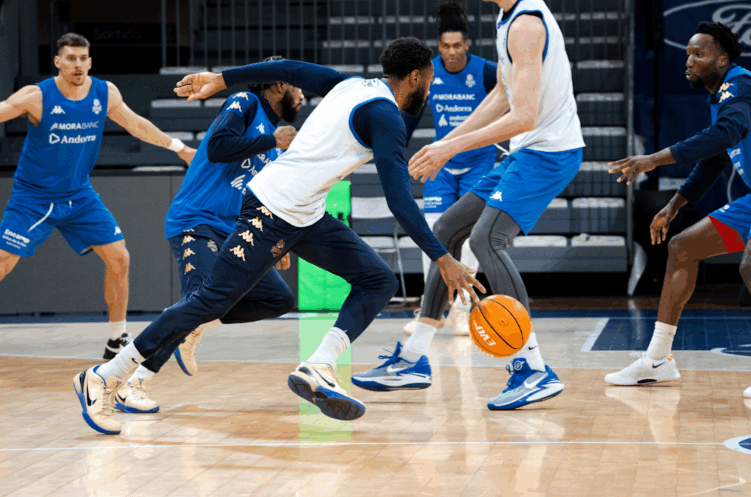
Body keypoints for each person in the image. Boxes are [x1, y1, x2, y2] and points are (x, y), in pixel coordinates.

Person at [72, 39, 484, 435]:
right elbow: (399, 200)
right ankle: (104, 377)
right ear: (414, 77)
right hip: (272, 210)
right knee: (209, 301)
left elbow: (288, 69)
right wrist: (443, 258)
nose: (429, 91)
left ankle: (320, 366)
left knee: (378, 280)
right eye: (428, 82)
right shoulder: (386, 117)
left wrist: (222, 77)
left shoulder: (349, 84)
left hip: (305, 215)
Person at [352, 0, 584, 410]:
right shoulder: (507, 19)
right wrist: (445, 143)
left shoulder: (526, 26)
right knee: (447, 230)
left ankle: (533, 368)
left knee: (484, 241)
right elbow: (501, 95)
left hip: (549, 152)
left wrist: (451, 146)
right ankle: (415, 357)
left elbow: (524, 116)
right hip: (526, 150)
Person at [0, 33, 194, 369]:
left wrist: (180, 149)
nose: (78, 64)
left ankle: (116, 339)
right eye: (71, 58)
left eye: (83, 58)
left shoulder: (105, 93)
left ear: (90, 61)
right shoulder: (37, 96)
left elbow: (137, 125)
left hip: (79, 196)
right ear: (58, 62)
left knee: (119, 258)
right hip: (33, 198)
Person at [606, 21, 751, 399]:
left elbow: (725, 135)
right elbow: (714, 159)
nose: (690, 61)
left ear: (723, 59)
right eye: (687, 54)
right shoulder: (722, 98)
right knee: (682, 247)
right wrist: (674, 206)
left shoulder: (742, 87)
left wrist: (654, 159)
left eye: (700, 54)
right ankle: (658, 359)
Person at [115, 57, 303, 414]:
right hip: (196, 220)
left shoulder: (275, 135)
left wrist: (277, 236)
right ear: (278, 85)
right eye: (297, 86)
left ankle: (195, 322)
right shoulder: (246, 104)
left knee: (277, 299)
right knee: (196, 299)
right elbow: (217, 146)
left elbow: (258, 190)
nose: (302, 95)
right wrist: (270, 140)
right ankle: (132, 381)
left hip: (234, 230)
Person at [403, 0, 498, 338]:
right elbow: (410, 116)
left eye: (458, 45)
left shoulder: (486, 71)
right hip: (441, 165)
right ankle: (433, 307)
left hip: (480, 163)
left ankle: (461, 308)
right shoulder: (429, 73)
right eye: (445, 46)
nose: (452, 51)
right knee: (432, 237)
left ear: (467, 45)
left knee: (470, 241)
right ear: (438, 47)